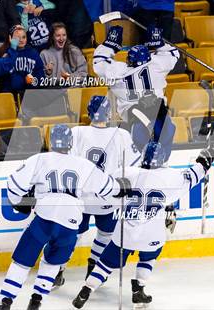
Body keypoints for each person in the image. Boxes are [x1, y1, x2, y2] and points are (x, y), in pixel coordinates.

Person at [0, 124, 131, 310]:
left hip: (44, 218)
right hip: (70, 223)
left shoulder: (39, 159)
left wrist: (19, 203)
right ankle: (36, 300)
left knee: (21, 262)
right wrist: (122, 186)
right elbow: (110, 189)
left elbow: (13, 185)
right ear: (70, 142)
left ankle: (6, 301)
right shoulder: (84, 164)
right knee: (52, 263)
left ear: (51, 141)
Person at [72, 142, 214, 309]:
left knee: (106, 263)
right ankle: (138, 289)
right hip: (151, 234)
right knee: (150, 255)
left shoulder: (125, 172)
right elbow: (192, 176)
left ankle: (86, 290)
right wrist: (204, 161)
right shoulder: (171, 177)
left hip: (124, 234)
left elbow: (107, 190)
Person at [52, 96, 141, 288]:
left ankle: (57, 269)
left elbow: (65, 163)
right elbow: (133, 167)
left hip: (80, 197)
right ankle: (93, 266)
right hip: (107, 196)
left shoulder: (76, 132)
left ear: (89, 112)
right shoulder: (121, 135)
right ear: (109, 114)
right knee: (106, 234)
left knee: (71, 235)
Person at [93, 25, 179, 160]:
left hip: (135, 124)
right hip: (162, 122)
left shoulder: (119, 73)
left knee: (139, 166)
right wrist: (159, 43)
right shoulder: (157, 65)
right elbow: (174, 53)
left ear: (129, 60)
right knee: (161, 162)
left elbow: (99, 61)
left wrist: (110, 44)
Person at [0, 25, 45, 94]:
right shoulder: (5, 53)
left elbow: (40, 73)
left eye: (23, 37)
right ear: (10, 38)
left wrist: (33, 81)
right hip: (10, 93)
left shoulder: (33, 52)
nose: (21, 40)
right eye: (17, 38)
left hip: (30, 93)